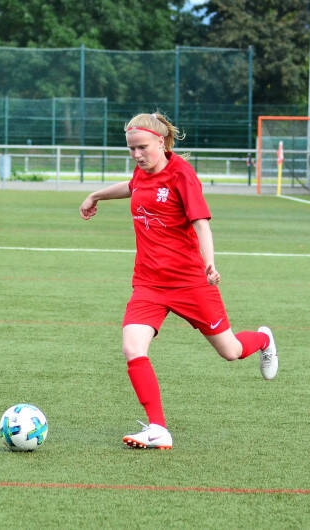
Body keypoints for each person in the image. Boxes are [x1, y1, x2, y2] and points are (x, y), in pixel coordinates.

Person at [79, 112, 278, 450]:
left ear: (161, 142)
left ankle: (263, 339)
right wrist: (96, 195)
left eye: (142, 148)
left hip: (189, 282)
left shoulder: (182, 175)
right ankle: (158, 428)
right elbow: (132, 187)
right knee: (132, 347)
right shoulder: (141, 172)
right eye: (131, 149)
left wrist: (210, 262)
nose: (137, 155)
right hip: (148, 284)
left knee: (230, 351)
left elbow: (201, 223)